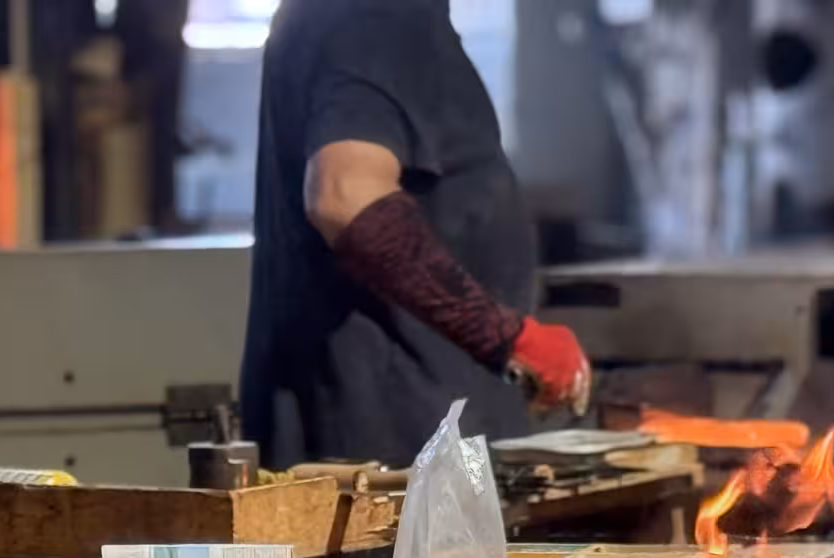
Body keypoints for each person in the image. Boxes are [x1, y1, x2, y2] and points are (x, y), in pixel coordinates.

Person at [240, 0, 592, 468]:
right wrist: (508, 338)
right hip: (395, 464)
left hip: (394, 446)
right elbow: (345, 197)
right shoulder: (380, 16)